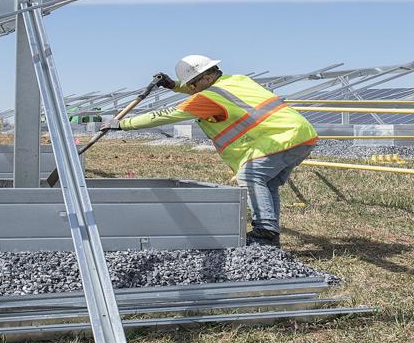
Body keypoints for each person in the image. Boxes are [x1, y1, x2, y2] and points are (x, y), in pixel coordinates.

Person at [104, 55, 317, 248]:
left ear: (206, 78)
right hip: (301, 135)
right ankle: (269, 236)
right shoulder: (238, 80)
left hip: (278, 140)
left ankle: (266, 233)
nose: (192, 89)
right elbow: (202, 90)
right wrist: (173, 85)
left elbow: (165, 114)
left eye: (193, 84)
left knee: (251, 176)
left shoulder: (208, 98)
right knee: (266, 183)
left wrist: (123, 124)